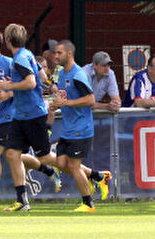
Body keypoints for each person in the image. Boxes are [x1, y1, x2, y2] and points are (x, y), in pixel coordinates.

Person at [0, 24, 109, 212]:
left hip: (33, 116)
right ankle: (22, 200)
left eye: (59, 53)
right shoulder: (27, 55)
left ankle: (95, 179)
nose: (56, 57)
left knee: (50, 159)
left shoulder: (20, 59)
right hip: (22, 115)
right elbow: (41, 77)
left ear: (7, 40)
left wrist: (10, 86)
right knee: (11, 153)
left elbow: (32, 82)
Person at [0, 30, 60, 210]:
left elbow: (25, 84)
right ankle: (47, 170)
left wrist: (9, 92)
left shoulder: (11, 62)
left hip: (11, 117)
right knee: (13, 155)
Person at [50, 40, 106, 212]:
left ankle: (88, 203)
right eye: (55, 53)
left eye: (59, 53)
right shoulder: (61, 73)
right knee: (60, 163)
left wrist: (66, 103)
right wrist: (57, 104)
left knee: (74, 166)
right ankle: (98, 176)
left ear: (69, 54)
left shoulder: (78, 74)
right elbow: (64, 96)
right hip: (68, 129)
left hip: (81, 128)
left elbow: (90, 100)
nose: (56, 56)